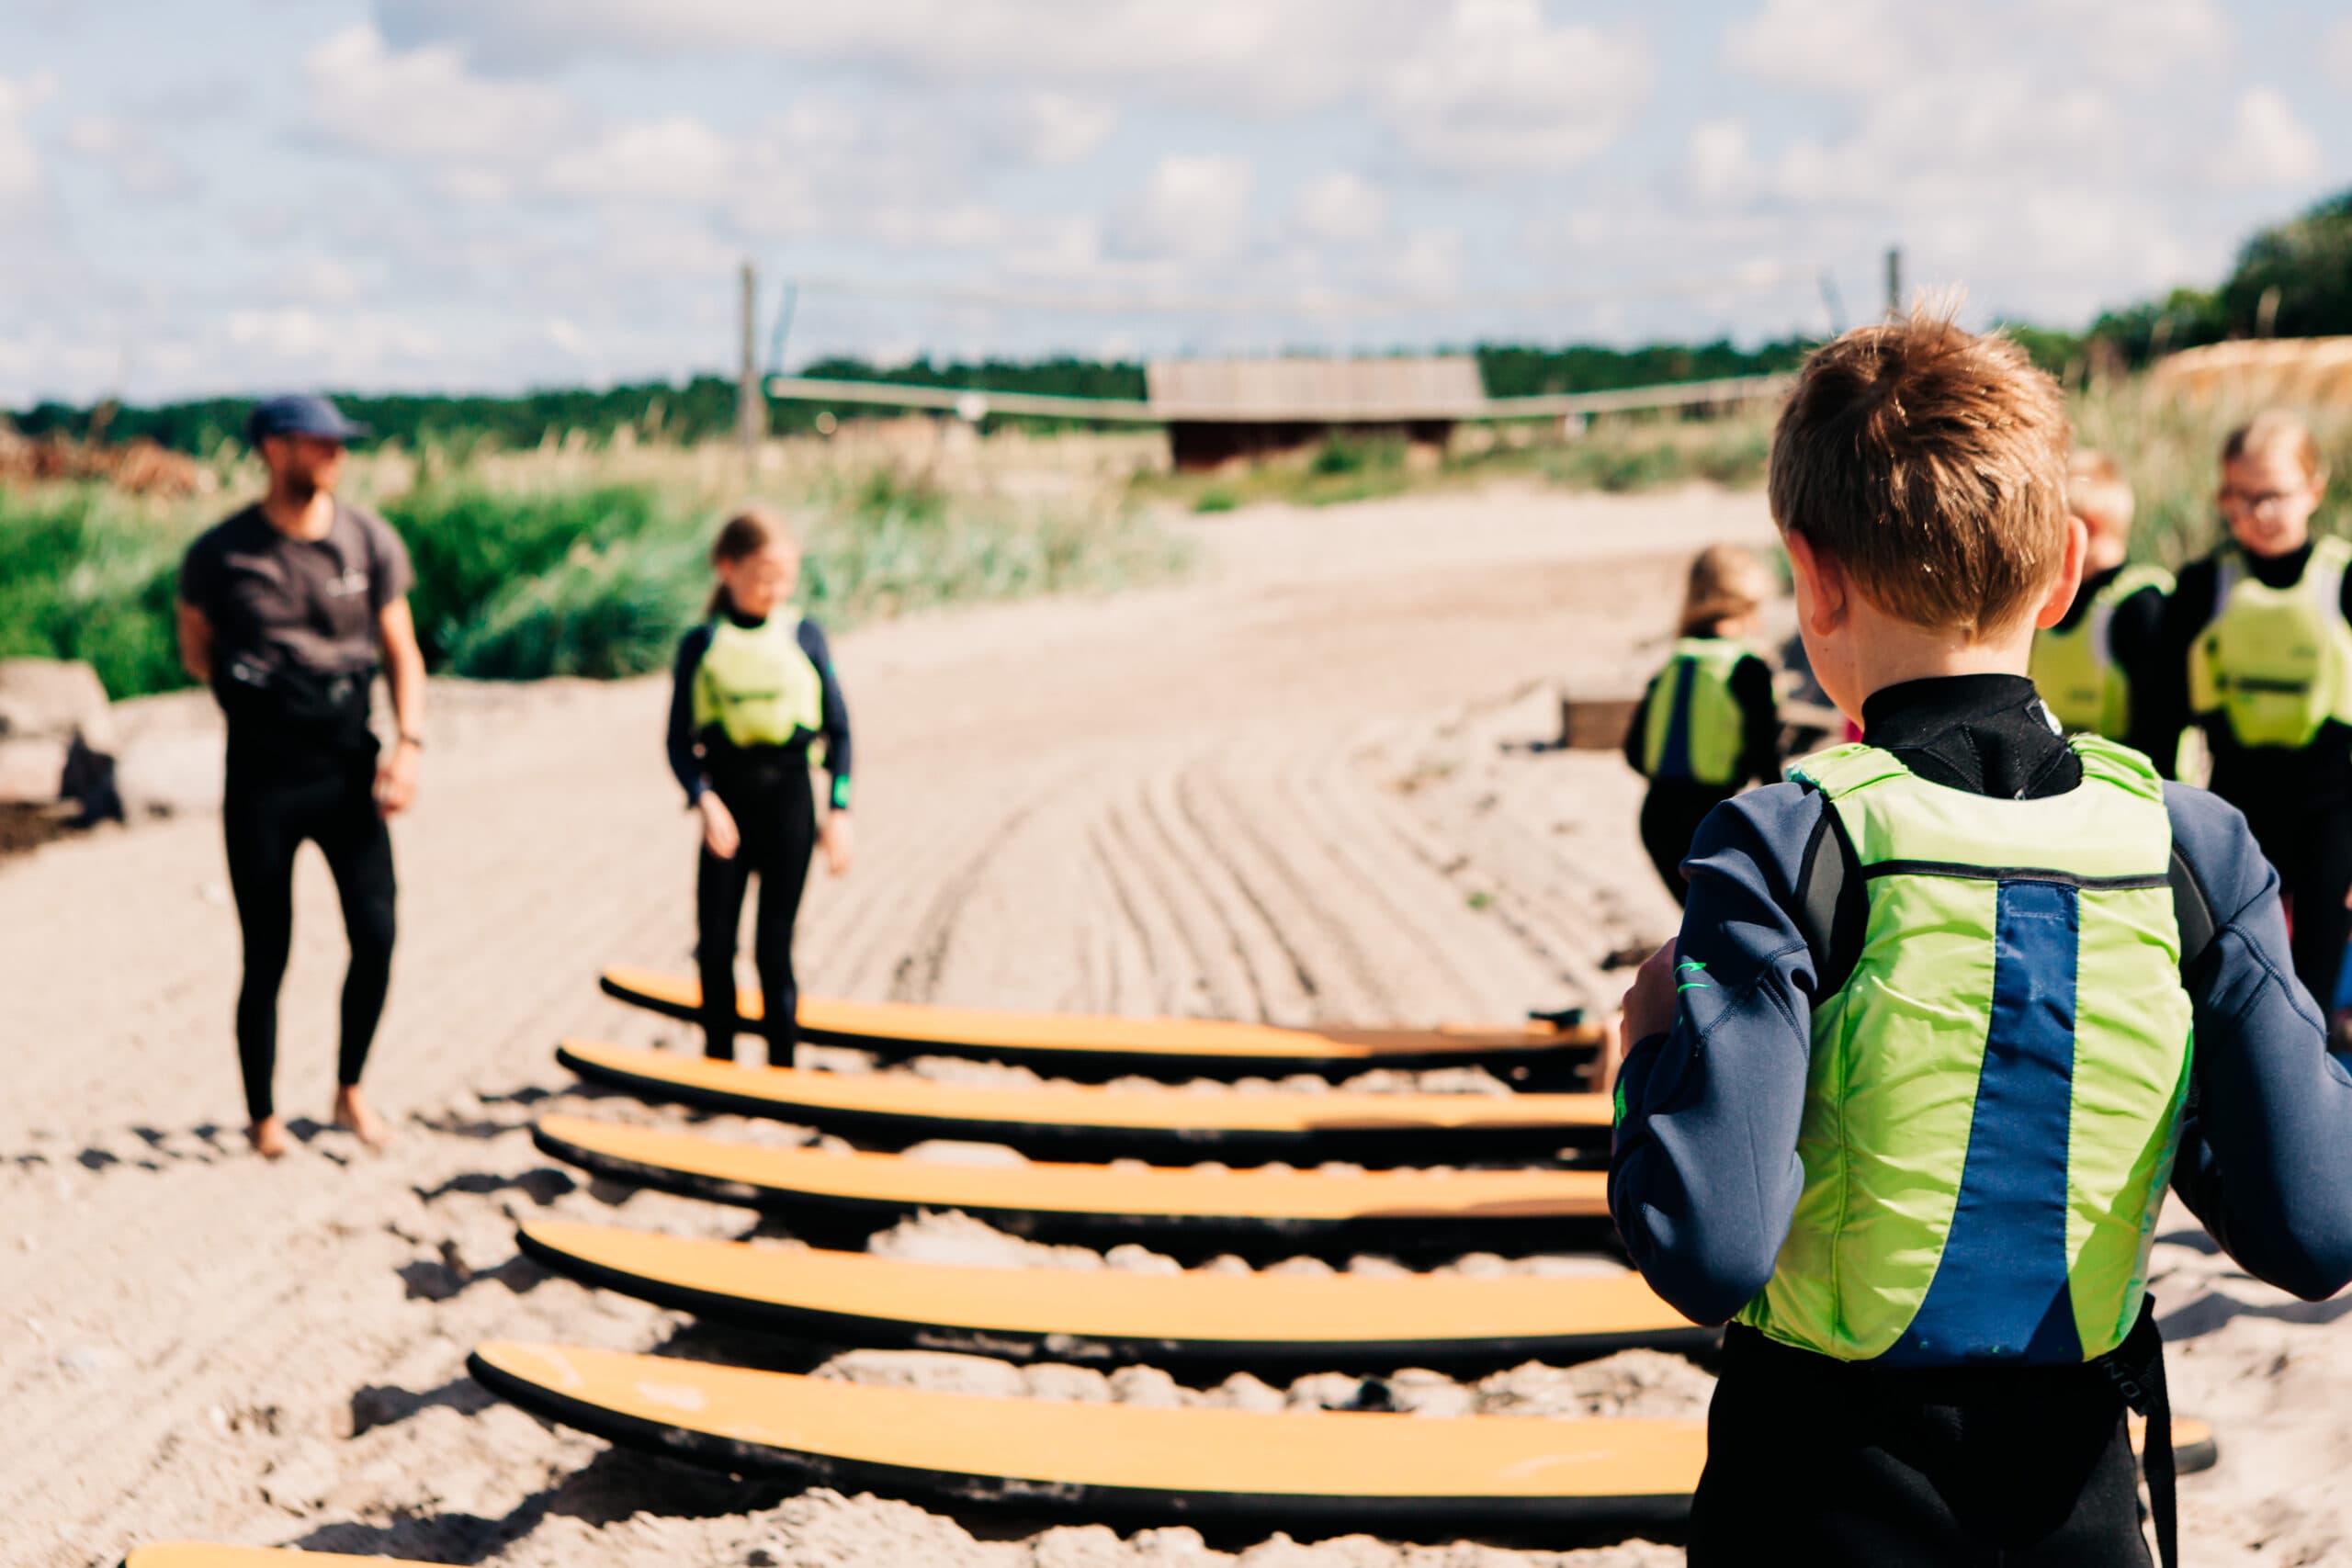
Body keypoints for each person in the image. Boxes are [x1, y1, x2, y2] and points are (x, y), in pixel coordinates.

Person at [1608, 310, 2352, 1567]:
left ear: (1811, 576)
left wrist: (1645, 1060)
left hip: (1816, 1495)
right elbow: (2316, 1227)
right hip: (2076, 1498)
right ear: (2064, 568)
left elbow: (1706, 1248)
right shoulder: (2190, 844)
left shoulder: (1787, 838)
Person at [177, 394, 424, 1158]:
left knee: (377, 935)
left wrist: (409, 744)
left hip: (347, 769)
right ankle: (263, 1117)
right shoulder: (220, 553)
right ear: (275, 449)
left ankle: (350, 1090)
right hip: (261, 779)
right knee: (267, 951)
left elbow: (403, 651)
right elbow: (195, 650)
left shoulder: (367, 540)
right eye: (320, 442)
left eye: (340, 443)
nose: (335, 454)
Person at [2145, 412, 2352, 1016]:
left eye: (2273, 495)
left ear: (2313, 489)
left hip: (2331, 812)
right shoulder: (2201, 586)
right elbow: (2161, 716)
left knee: (2314, 982)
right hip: (2236, 809)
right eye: (2240, 497)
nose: (2257, 511)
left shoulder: (2344, 580)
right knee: (2231, 976)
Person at [666, 509, 853, 1063]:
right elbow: (677, 741)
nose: (777, 589)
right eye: (765, 576)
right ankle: (719, 1063)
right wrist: (704, 801)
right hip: (726, 806)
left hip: (790, 802)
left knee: (775, 948)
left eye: (786, 578)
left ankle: (781, 1069)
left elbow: (840, 733)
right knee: (716, 946)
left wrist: (839, 810)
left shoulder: (804, 635)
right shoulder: (701, 643)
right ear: (728, 568)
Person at [1622, 545, 1781, 903]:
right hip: (1709, 819)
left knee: (1699, 919)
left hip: (1656, 820)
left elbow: (1633, 753)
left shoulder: (1675, 662)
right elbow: (1766, 761)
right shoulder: (1747, 666)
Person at [2029, 449, 2173, 757]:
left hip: (2130, 782)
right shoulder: (2043, 600)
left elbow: (2160, 728)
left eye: (2046, 521)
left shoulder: (2142, 607)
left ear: (2089, 526)